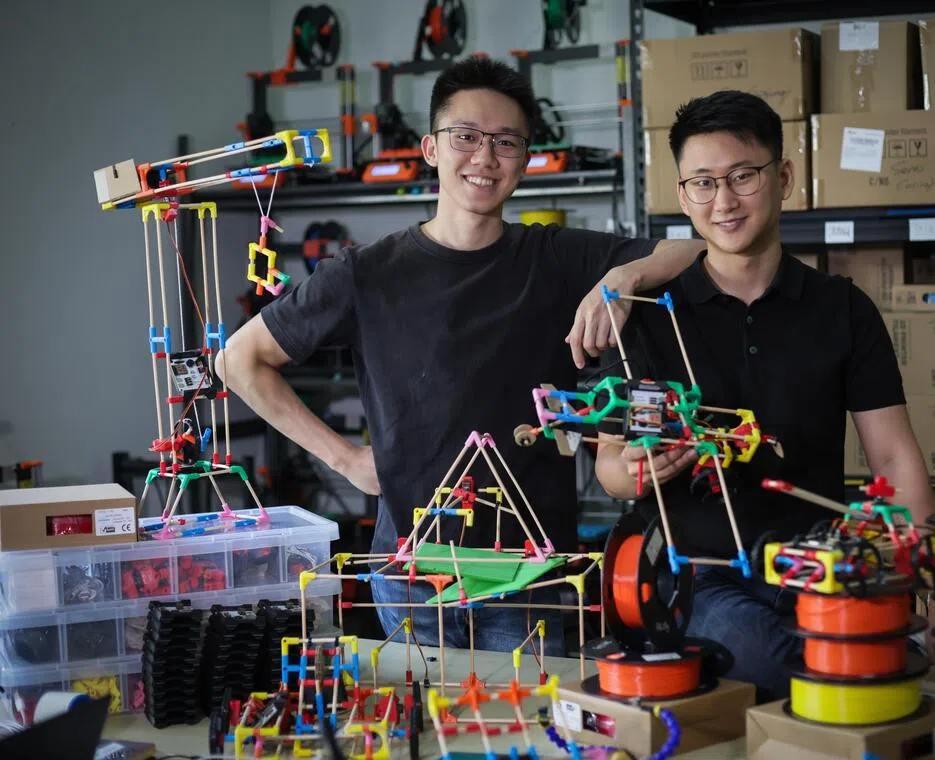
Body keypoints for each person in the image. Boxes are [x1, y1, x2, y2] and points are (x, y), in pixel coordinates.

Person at [218, 57, 702, 656]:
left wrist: (624, 276)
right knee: (422, 735)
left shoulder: (556, 257)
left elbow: (694, 250)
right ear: (430, 148)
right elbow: (239, 361)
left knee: (527, 739)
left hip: (532, 574)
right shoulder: (366, 273)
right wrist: (344, 459)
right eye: (466, 137)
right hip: (411, 574)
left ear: (526, 160)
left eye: (505, 142)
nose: (484, 156)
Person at [593, 90, 935, 701]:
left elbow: (894, 459)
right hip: (695, 574)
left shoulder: (842, 308)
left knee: (892, 653)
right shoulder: (647, 318)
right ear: (682, 196)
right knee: (785, 663)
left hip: (816, 561)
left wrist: (916, 573)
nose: (723, 201)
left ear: (783, 178)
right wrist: (637, 470)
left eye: (742, 176)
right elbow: (610, 468)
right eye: (702, 182)